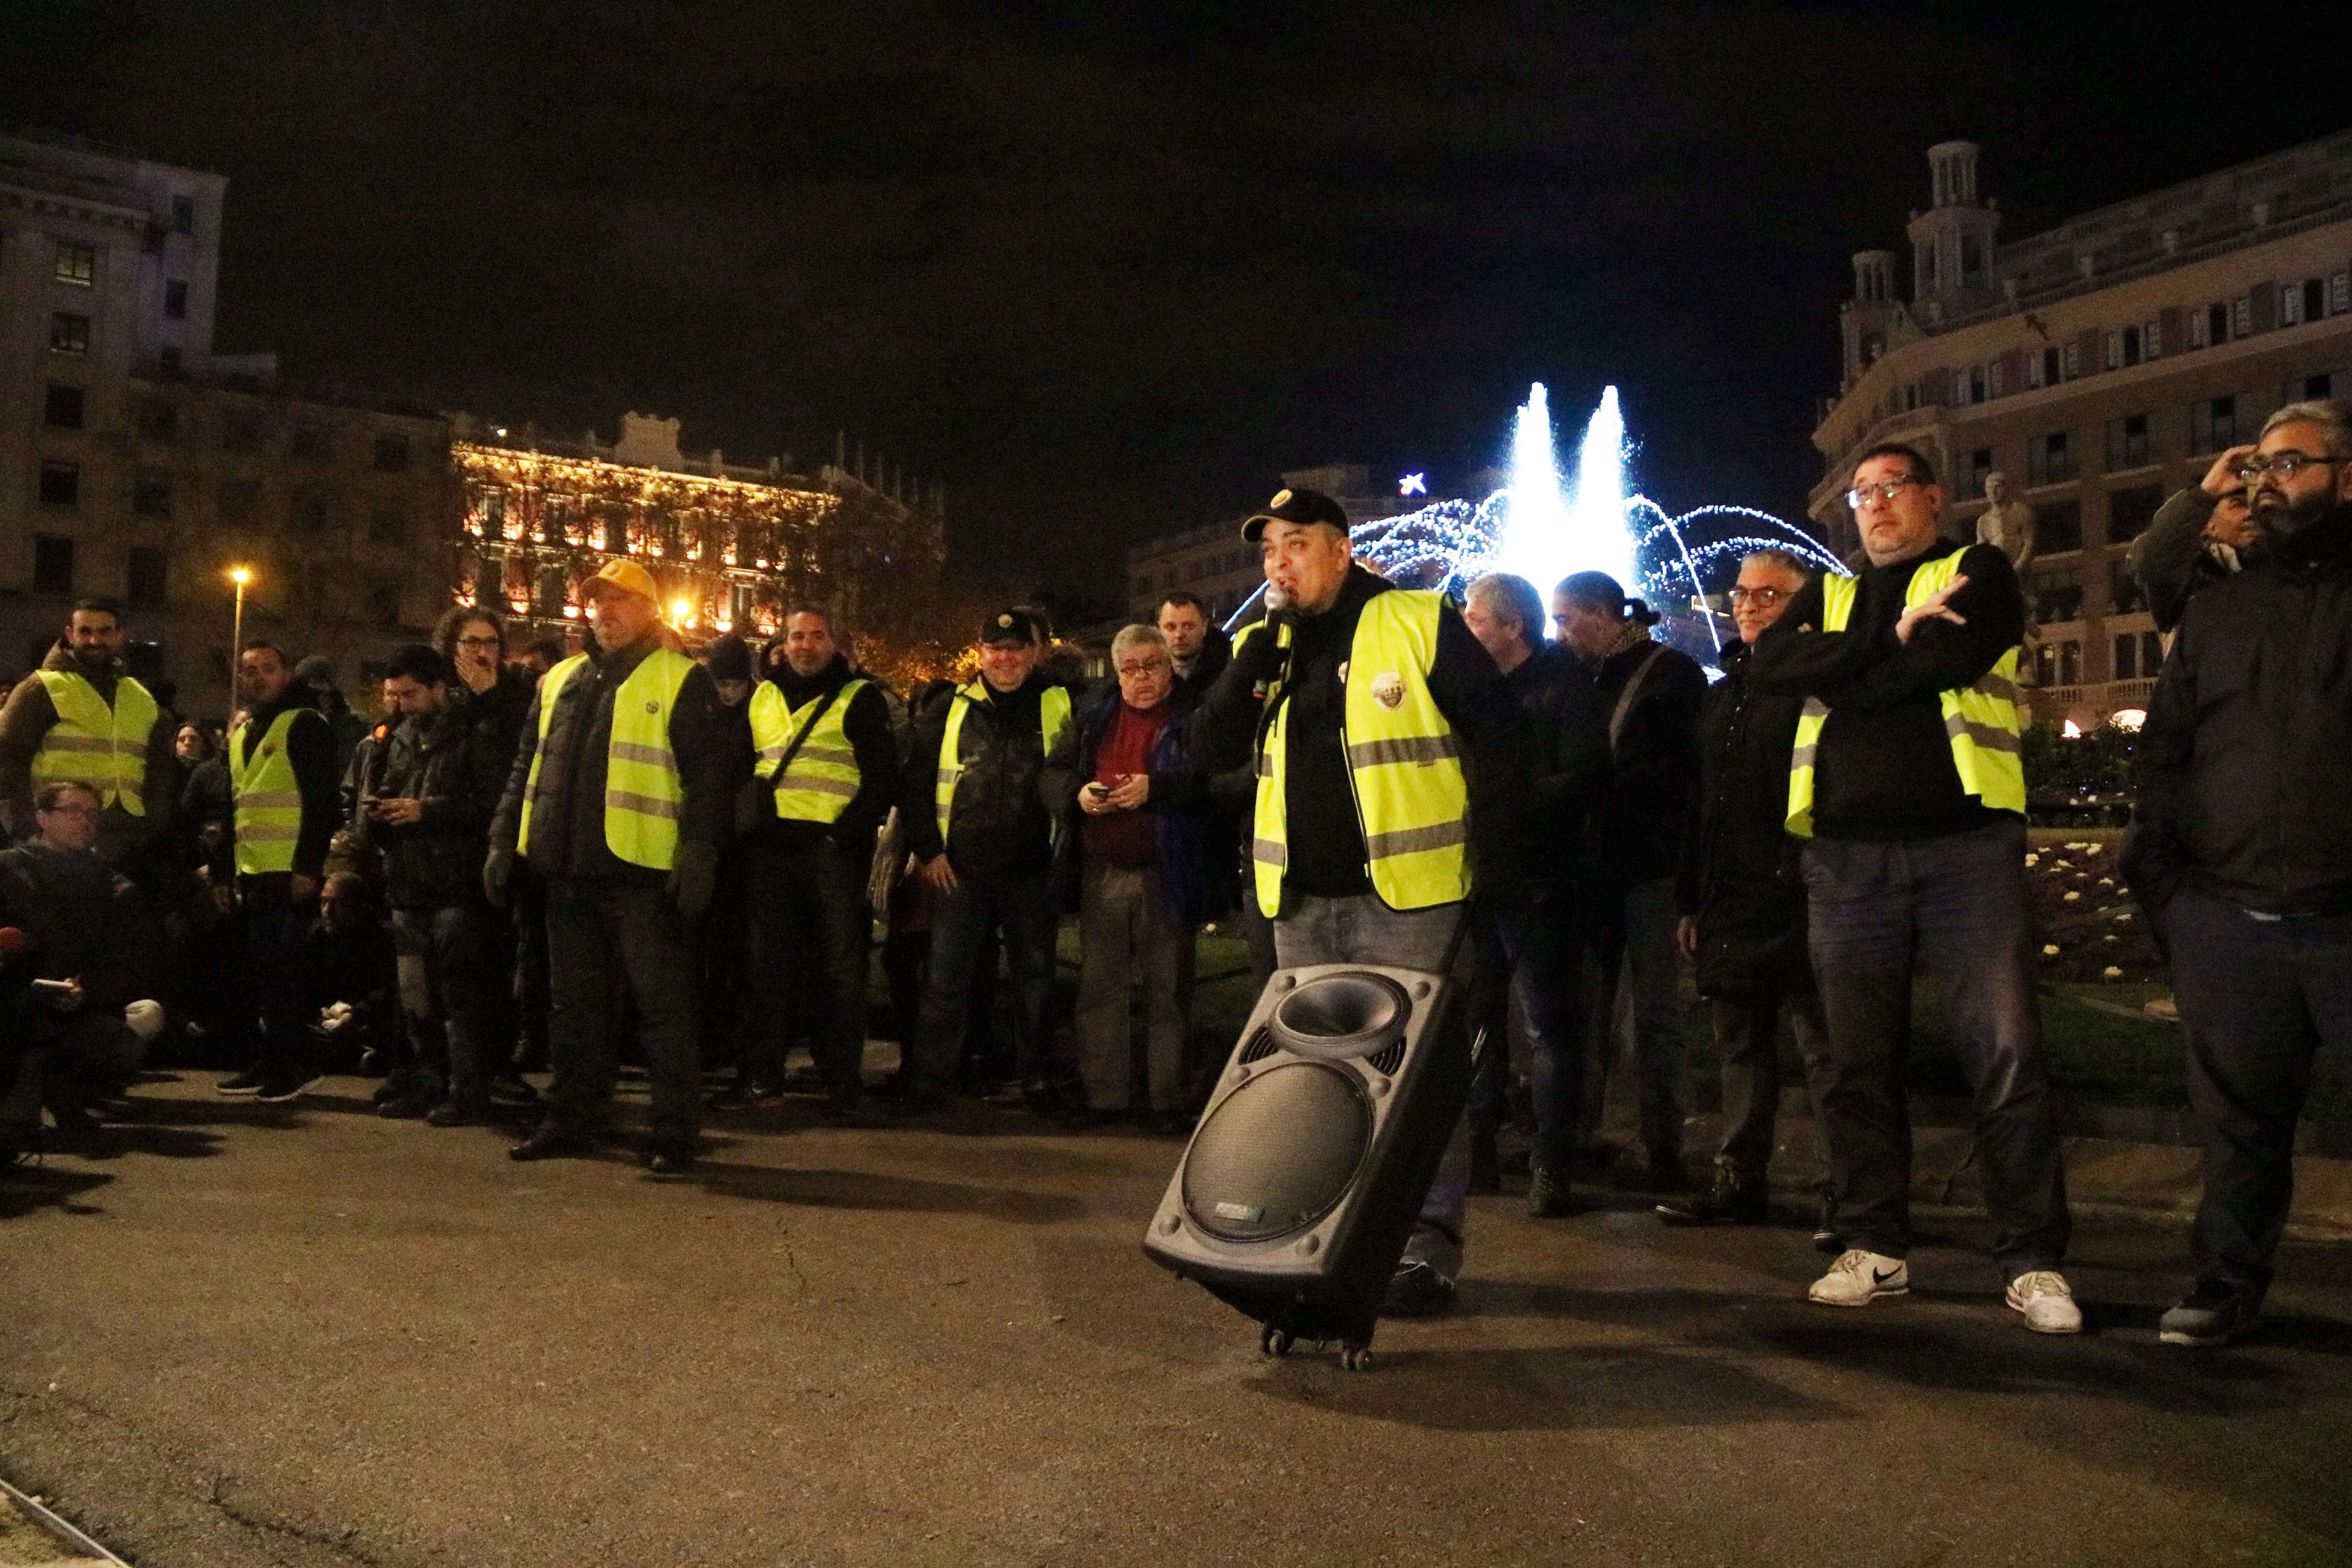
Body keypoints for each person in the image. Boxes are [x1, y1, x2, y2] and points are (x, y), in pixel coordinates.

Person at [1750, 440, 2078, 1332]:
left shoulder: (1976, 567)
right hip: (1849, 859)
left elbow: (1945, 664)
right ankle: (1875, 1244)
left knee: (2004, 1057)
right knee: (1857, 1065)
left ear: (1932, 497)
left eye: (1892, 487)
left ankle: (2033, 1258)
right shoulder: (1830, 591)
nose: (1875, 503)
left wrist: (1852, 670)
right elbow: (1768, 666)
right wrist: (1885, 638)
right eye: (1860, 493)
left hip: (1964, 847)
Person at [1194, 486, 1526, 1317]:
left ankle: (1424, 1248)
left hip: (1408, 901)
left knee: (1416, 1081)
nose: (1279, 564)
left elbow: (1501, 732)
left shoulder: (1416, 619)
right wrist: (1248, 669)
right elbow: (1206, 749)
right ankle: (1324, 1239)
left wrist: (1501, 857)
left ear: (1342, 549)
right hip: (1301, 904)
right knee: (1316, 1087)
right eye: (1269, 551)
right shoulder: (1265, 644)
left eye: (1296, 545)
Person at [2130, 400, 2352, 1348]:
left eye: (2292, 461)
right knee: (2237, 1129)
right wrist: (2165, 886)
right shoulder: (2220, 596)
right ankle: (2225, 1283)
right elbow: (2168, 748)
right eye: (2258, 465)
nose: (2269, 480)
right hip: (2225, 915)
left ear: (2346, 475)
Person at [486, 559, 747, 1172]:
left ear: (648, 611)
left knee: (661, 1007)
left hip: (643, 874)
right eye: (597, 602)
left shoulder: (682, 679)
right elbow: (527, 768)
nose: (606, 612)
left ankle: (675, 1131)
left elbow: (712, 779)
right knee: (573, 1006)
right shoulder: (560, 681)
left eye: (621, 601)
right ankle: (573, 1118)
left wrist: (699, 852)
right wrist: (505, 841)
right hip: (566, 869)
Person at [1660, 549, 1836, 1234]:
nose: (1750, 604)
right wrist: (1690, 899)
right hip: (1730, 896)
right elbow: (1700, 802)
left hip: (1802, 894)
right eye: (1741, 592)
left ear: (1803, 604)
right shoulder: (1724, 690)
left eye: (1770, 594)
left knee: (1825, 1051)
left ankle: (1841, 1191)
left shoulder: (1819, 683)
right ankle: (1739, 1179)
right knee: (1742, 1046)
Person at [1549, 570, 1705, 1196]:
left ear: (1603, 615)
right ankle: (1580, 1137)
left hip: (1649, 868)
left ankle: (1664, 1146)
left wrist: (1596, 788)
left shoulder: (1670, 674)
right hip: (1591, 872)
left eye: (1565, 619)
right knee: (1583, 1013)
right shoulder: (1575, 674)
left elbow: (1682, 777)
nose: (1556, 633)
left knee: (1654, 1016)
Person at [899, 609, 1073, 1115]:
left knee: (1036, 984)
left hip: (1032, 870)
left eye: (1016, 648)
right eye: (996, 649)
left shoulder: (1060, 703)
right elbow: (916, 781)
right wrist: (929, 850)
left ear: (1035, 653)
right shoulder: (950, 708)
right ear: (980, 654)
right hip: (962, 872)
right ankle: (930, 1083)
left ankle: (1039, 1082)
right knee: (945, 982)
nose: (1006, 659)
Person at [734, 605, 901, 1121]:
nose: (805, 645)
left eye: (816, 636)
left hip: (831, 853)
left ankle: (841, 1082)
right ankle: (766, 1078)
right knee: (768, 967)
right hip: (770, 851)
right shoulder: (762, 695)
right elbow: (744, 763)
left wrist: (841, 835)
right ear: (783, 643)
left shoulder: (859, 697)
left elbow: (882, 779)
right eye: (796, 636)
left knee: (841, 969)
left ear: (835, 643)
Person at [1044, 623, 1210, 1134]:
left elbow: (1217, 782)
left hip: (1167, 868)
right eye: (1129, 669)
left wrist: (1156, 789)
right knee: (1101, 988)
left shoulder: (1195, 714)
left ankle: (1167, 1099)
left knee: (1168, 990)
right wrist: (1078, 793)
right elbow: (1051, 773)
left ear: (1168, 665)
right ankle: (1105, 1096)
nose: (1141, 678)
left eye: (1151, 665)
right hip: (1104, 868)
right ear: (1116, 673)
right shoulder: (1094, 716)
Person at [1455, 571, 1583, 1202]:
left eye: (1473, 617)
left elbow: (1584, 777)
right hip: (1480, 879)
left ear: (1512, 627)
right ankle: (1478, 1150)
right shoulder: (1472, 692)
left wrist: (1506, 807)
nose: (1463, 626)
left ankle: (1550, 1163)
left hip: (1537, 880)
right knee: (1478, 1022)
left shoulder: (1562, 688)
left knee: (1545, 1026)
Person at [359, 645, 515, 1125]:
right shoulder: (400, 736)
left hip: (454, 884)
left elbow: (490, 801)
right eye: (395, 695)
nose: (400, 704)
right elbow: (392, 785)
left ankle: (468, 1090)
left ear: (438, 689)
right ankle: (428, 1081)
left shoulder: (475, 733)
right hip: (408, 883)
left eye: (410, 694)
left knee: (459, 994)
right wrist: (381, 810)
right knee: (416, 996)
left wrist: (427, 810)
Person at [0, 781, 165, 1146]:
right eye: (73, 811)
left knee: (128, 1033)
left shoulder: (111, 882)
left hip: (77, 1002)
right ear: (42, 817)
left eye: (92, 814)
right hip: (16, 999)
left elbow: (129, 956)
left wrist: (87, 988)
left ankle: (64, 1095)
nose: (85, 821)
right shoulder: (9, 870)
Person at [216, 641, 342, 1103]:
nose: (257, 677)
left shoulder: (304, 724)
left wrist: (308, 867)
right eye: (249, 670)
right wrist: (224, 871)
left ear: (286, 675)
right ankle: (270, 1061)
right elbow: (236, 805)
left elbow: (321, 803)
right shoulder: (246, 730)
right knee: (263, 975)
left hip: (289, 871)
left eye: (268, 669)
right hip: (254, 870)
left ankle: (295, 1065)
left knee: (286, 975)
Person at [0, 598, 178, 875]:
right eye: (85, 632)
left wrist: (153, 824)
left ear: (120, 635)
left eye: (105, 632)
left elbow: (160, 770)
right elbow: (8, 760)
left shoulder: (141, 697)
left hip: (128, 845)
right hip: (56, 844)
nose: (95, 640)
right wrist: (27, 826)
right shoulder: (39, 689)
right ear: (70, 635)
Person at [296, 655, 369, 776]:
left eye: (318, 681)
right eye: (308, 683)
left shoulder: (357, 725)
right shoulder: (292, 722)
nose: (314, 688)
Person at [1157, 591, 1232, 710]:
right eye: (1170, 627)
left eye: (1188, 626)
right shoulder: (1149, 674)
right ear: (1159, 628)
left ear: (1205, 627)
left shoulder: (1229, 669)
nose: (1179, 635)